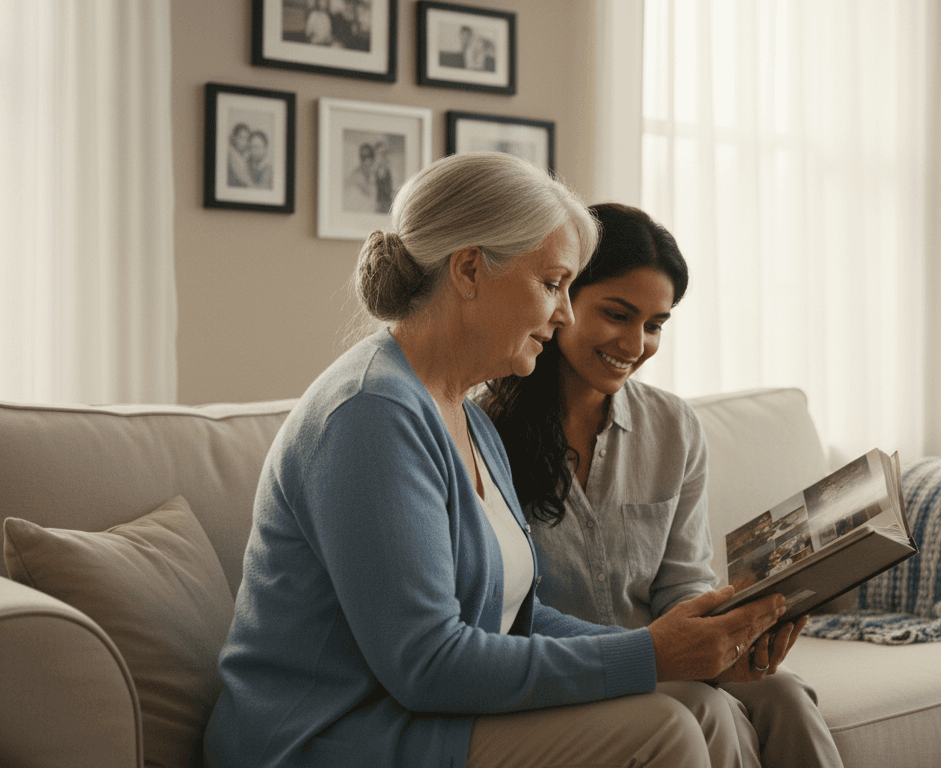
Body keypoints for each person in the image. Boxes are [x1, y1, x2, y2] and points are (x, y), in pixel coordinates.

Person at [202, 152, 795, 768]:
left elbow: (515, 619)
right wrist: (649, 657)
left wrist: (671, 647)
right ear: (468, 271)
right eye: (552, 284)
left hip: (418, 716)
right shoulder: (370, 414)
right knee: (665, 728)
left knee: (701, 703)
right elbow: (428, 665)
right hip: (328, 735)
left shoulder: (466, 417)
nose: (563, 313)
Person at [480, 202, 844, 768]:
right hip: (571, 673)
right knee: (707, 707)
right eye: (617, 315)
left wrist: (739, 629)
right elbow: (503, 614)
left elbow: (682, 585)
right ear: (562, 297)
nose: (635, 344)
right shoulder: (483, 432)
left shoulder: (674, 428)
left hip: (668, 656)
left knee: (788, 695)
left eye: (654, 325)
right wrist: (657, 655)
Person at [226, 122, 251, 188]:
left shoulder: (243, 156)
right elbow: (246, 182)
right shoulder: (232, 155)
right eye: (241, 137)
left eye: (246, 138)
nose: (244, 142)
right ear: (234, 138)